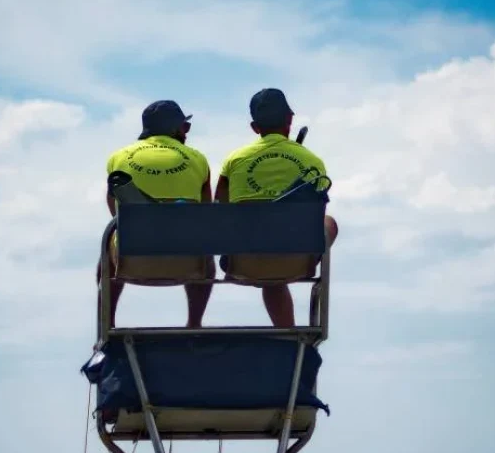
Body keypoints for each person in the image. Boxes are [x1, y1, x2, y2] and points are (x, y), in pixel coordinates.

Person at [215, 88, 339, 328]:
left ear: (254, 127)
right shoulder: (313, 161)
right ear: (289, 120)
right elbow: (317, 215)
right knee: (328, 223)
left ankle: (285, 328)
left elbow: (220, 207)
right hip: (297, 260)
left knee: (265, 246)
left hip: (243, 263)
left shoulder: (235, 160)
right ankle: (286, 332)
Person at [104, 100, 214, 328]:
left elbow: (113, 205)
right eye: (186, 127)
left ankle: (108, 325)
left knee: (106, 253)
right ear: (176, 129)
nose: (187, 133)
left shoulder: (118, 158)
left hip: (131, 260)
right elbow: (207, 211)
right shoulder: (198, 159)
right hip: (188, 263)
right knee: (205, 249)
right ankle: (194, 324)